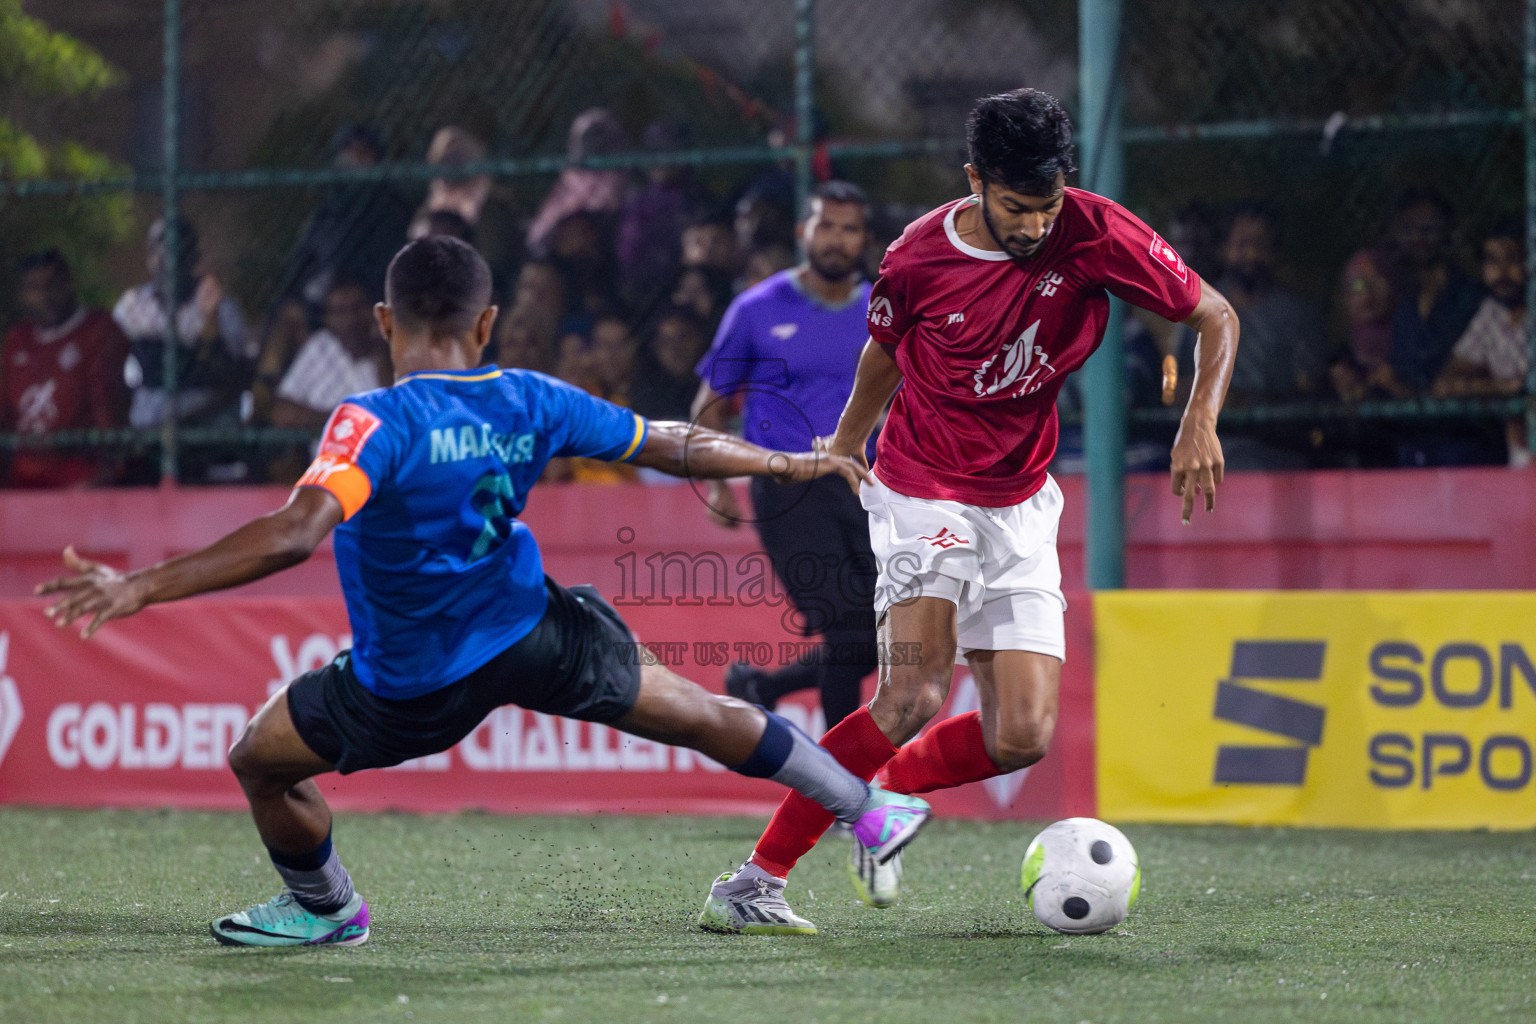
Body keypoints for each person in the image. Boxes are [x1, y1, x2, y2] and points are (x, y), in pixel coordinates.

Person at [37, 236, 931, 948]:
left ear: (385, 320)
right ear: (488, 319)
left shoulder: (372, 422)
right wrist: (785, 458)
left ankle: (325, 910)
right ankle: (867, 807)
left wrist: (141, 586)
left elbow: (295, 532)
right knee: (697, 710)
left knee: (257, 761)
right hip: (537, 630)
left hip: (412, 680)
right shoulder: (529, 396)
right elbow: (666, 440)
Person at [697, 88, 1236, 935]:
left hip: (1021, 501)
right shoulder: (916, 257)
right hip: (922, 489)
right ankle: (755, 881)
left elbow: (1214, 315)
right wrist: (844, 445)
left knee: (1022, 734)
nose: (1034, 227)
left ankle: (881, 806)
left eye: (1048, 205)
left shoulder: (1092, 231)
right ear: (975, 179)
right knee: (910, 696)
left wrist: (1198, 415)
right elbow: (883, 355)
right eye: (1017, 208)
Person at [691, 180, 880, 731]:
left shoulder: (881, 310)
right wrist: (718, 484)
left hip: (866, 485)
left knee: (880, 638)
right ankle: (849, 789)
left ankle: (762, 687)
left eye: (849, 229)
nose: (837, 240)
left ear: (865, 240)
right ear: (803, 232)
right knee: (850, 633)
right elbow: (711, 405)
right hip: (785, 486)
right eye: (826, 225)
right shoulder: (755, 309)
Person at [0, 250, 131, 488]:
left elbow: (109, 410)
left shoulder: (98, 330)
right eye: (34, 287)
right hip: (22, 478)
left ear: (69, 284)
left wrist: (105, 473)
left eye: (52, 284)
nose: (44, 295)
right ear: (22, 294)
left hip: (78, 473)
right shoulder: (18, 339)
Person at [1432, 219, 1529, 466]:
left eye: (1512, 258)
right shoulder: (1492, 312)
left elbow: (1528, 388)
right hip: (1514, 440)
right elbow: (1446, 383)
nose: (1502, 271)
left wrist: (1510, 389)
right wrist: (1502, 389)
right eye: (1492, 261)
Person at [269, 279, 391, 432]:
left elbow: (392, 416)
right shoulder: (321, 346)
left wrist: (381, 352)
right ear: (328, 319)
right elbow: (282, 411)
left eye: (357, 308)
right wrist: (342, 420)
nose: (350, 319)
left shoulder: (390, 349)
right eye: (340, 311)